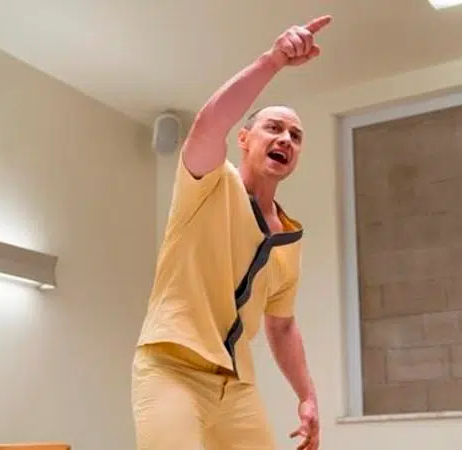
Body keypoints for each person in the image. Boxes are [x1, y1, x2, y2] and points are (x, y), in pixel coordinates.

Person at [131, 14, 332, 450]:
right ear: (243, 139)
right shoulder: (208, 183)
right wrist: (273, 61)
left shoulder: (288, 239)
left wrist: (307, 396)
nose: (286, 139)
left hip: (234, 385)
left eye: (296, 136)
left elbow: (281, 326)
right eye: (273, 128)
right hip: (171, 367)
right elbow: (209, 123)